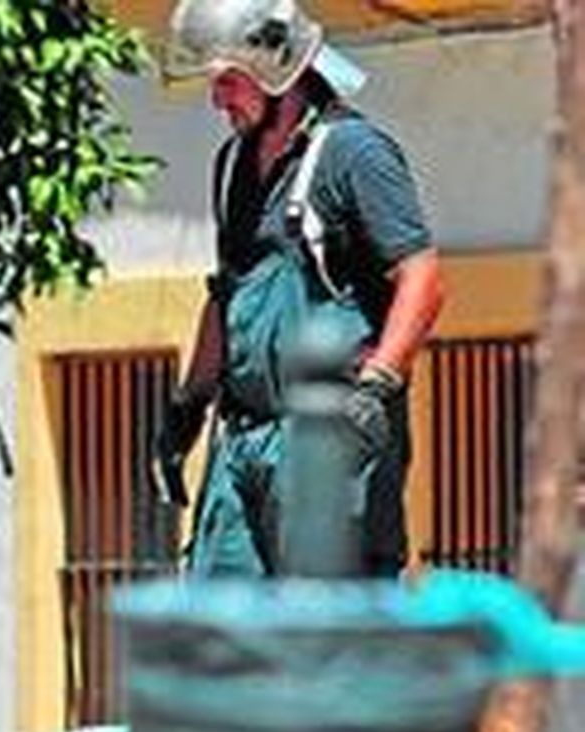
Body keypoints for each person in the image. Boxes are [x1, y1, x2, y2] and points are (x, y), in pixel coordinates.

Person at [154, 0, 444, 577]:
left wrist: (375, 388)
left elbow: (424, 279)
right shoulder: (232, 165)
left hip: (325, 435)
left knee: (327, 634)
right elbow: (227, 293)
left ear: (277, 73)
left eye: (230, 83)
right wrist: (187, 408)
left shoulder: (354, 154)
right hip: (243, 439)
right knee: (221, 636)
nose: (218, 100)